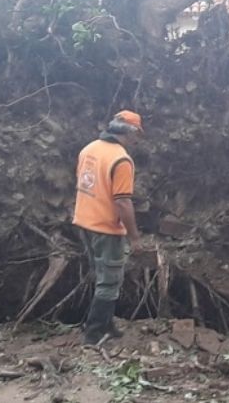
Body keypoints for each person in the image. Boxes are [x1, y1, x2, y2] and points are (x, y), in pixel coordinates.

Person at [73, 110, 143, 345]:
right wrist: (134, 237)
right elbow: (122, 201)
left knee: (101, 275)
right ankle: (93, 334)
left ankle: (107, 324)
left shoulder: (89, 149)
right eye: (137, 134)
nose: (137, 140)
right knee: (110, 282)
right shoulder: (121, 160)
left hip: (84, 222)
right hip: (106, 227)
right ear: (130, 132)